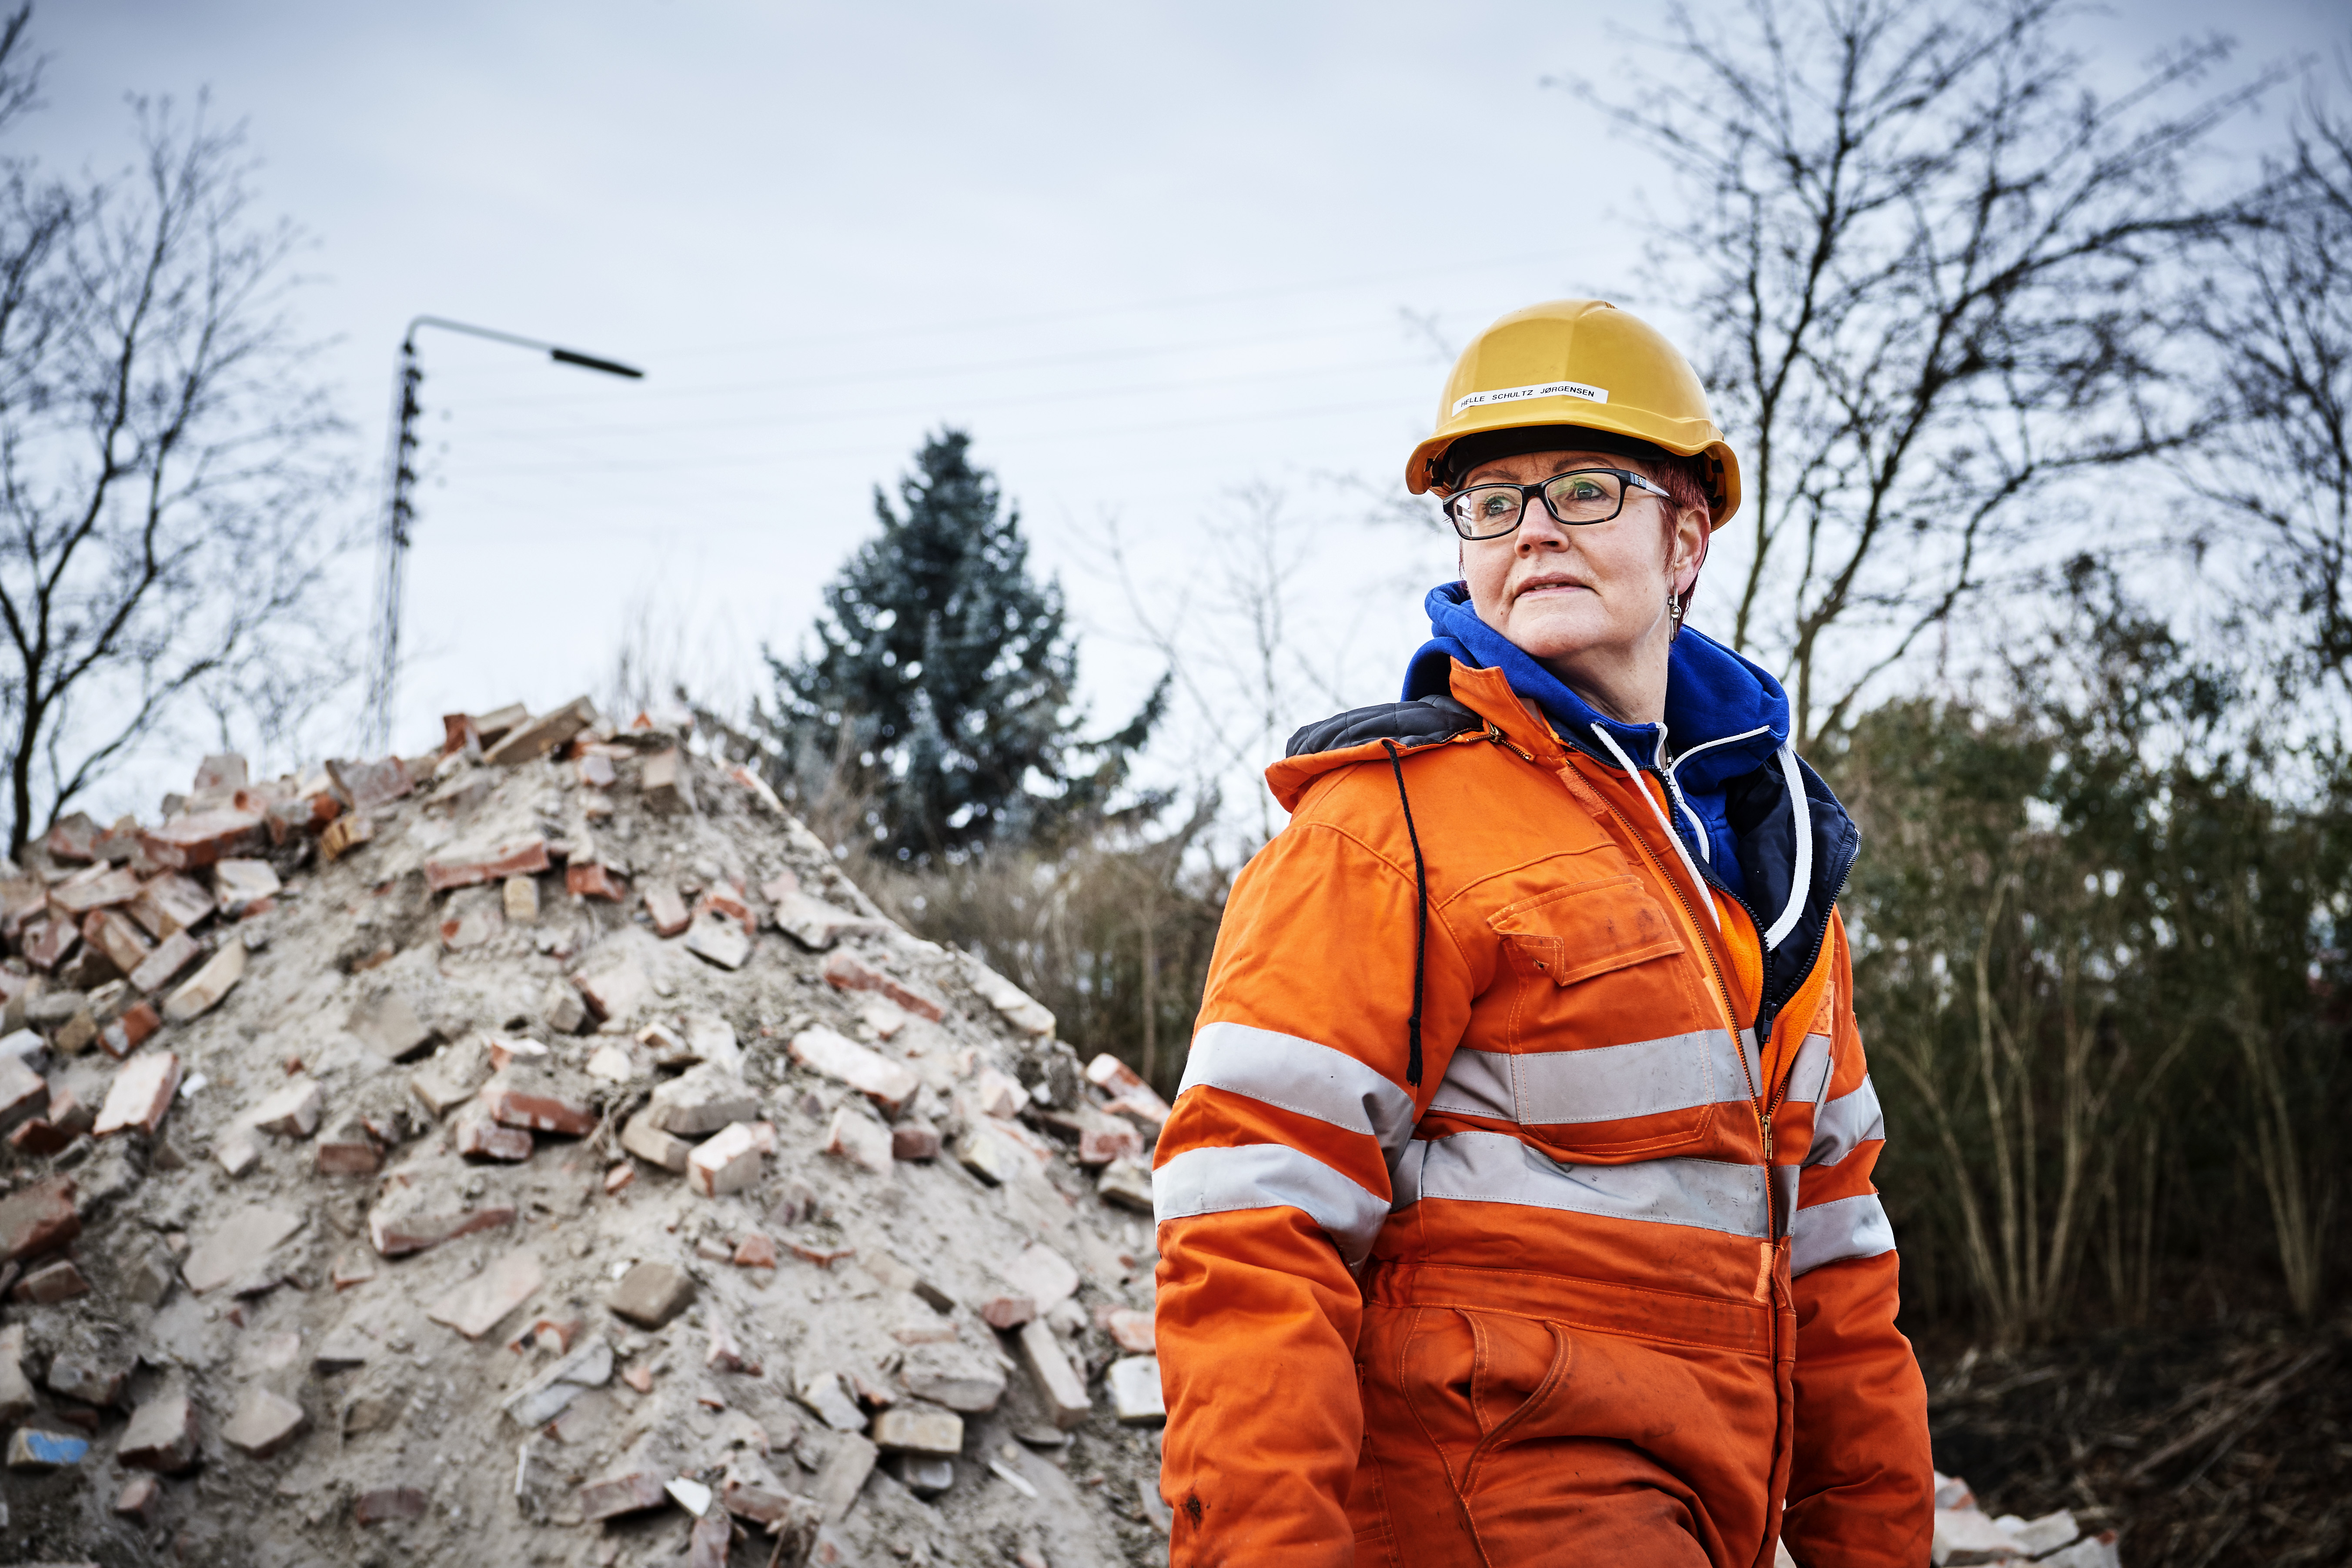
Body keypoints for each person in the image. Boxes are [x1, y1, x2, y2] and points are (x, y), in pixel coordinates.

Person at [1149, 300, 1932, 1568]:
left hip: (1702, 1506)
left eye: (1584, 490)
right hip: (1492, 1494)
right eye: (1494, 503)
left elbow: (1840, 1277)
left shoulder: (1770, 871)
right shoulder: (1382, 828)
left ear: (1687, 537)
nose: (1534, 533)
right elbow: (1252, 1221)